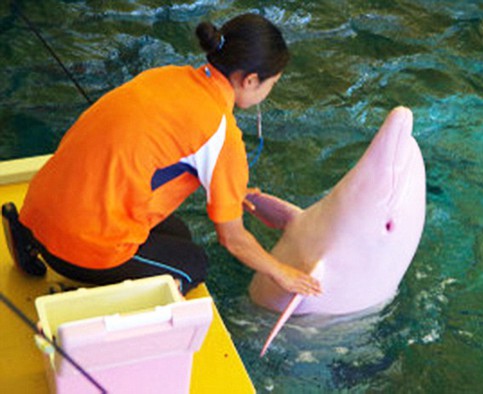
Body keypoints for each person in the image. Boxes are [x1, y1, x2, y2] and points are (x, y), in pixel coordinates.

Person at [2, 13, 322, 297]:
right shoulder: (221, 135)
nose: (269, 92)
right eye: (273, 83)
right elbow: (233, 240)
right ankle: (78, 295)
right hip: (80, 248)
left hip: (39, 208)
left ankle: (27, 235)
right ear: (251, 80)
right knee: (193, 266)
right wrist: (283, 272)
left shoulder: (167, 76)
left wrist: (233, 194)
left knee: (178, 233)